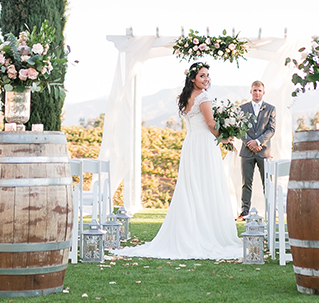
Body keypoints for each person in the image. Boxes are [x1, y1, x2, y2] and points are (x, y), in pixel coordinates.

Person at [113, 62, 242, 259]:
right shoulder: (204, 97)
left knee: (192, 187)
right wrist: (223, 137)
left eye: (207, 75)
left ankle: (193, 230)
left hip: (191, 144)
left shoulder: (186, 98)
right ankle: (205, 233)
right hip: (205, 145)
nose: (206, 79)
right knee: (207, 185)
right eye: (202, 76)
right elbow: (210, 123)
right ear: (193, 79)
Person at [237, 80, 276, 220]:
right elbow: (239, 129)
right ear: (251, 91)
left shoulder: (271, 109)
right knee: (246, 183)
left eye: (259, 90)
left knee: (268, 183)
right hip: (247, 152)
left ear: (263, 92)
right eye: (254, 90)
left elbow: (271, 129)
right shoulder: (242, 108)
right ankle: (244, 212)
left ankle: (271, 212)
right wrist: (249, 143)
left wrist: (258, 142)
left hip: (264, 151)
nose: (257, 93)